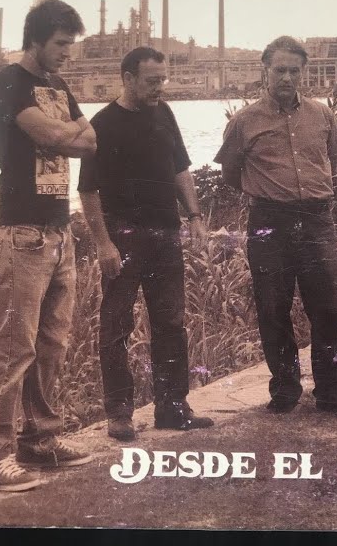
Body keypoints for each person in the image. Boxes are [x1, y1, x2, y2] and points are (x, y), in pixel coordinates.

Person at [214, 36, 337, 418]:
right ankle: (284, 391)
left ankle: (333, 393)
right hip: (269, 222)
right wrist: (269, 192)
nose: (286, 77)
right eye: (279, 70)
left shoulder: (322, 116)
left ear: (303, 72)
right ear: (265, 70)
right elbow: (231, 173)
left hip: (317, 219)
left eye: (293, 71)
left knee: (329, 307)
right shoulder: (244, 121)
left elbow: (334, 160)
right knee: (272, 307)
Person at [0, 0, 97, 492]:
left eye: (71, 45)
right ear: (35, 40)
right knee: (13, 348)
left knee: (52, 344)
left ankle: (40, 439)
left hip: (59, 229)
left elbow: (88, 142)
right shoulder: (8, 83)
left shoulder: (57, 85)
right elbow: (56, 136)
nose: (67, 54)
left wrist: (62, 134)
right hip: (22, 233)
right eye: (60, 44)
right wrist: (63, 135)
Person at [79, 46, 215, 440]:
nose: (160, 87)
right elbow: (87, 191)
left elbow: (180, 169)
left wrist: (195, 216)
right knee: (116, 324)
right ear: (128, 78)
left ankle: (172, 408)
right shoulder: (102, 124)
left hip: (166, 235)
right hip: (122, 238)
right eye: (152, 80)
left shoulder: (165, 113)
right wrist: (103, 244)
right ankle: (119, 414)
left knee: (171, 322)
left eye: (162, 79)